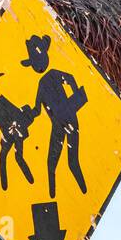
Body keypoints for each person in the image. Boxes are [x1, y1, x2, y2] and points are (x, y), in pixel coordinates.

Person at [22, 33, 89, 198]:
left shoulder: (51, 76)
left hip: (65, 119)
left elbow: (71, 78)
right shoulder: (43, 82)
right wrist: (26, 114)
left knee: (66, 162)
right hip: (62, 121)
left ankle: (84, 193)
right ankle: (55, 196)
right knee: (57, 163)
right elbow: (37, 110)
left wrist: (73, 101)